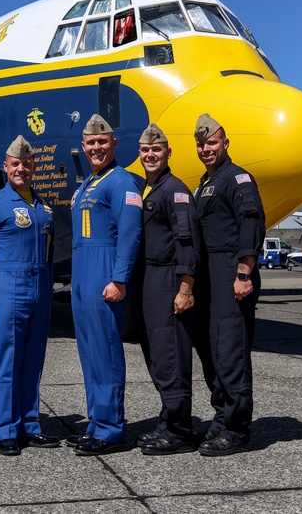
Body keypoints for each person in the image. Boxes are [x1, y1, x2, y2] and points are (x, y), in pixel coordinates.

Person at [0, 135, 59, 456]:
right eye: (15, 164)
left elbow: (49, 255)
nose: (21, 169)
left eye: (27, 164)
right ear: (5, 167)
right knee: (7, 361)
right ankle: (6, 429)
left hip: (40, 292)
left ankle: (30, 424)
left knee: (33, 361)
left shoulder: (44, 207)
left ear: (34, 166)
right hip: (8, 289)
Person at [68, 114, 142, 456]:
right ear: (83, 146)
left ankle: (111, 429)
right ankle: (96, 422)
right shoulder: (86, 184)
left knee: (107, 353)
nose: (96, 148)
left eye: (102, 142)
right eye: (91, 143)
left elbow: (130, 233)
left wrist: (119, 278)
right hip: (82, 274)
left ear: (114, 144)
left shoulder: (121, 181)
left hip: (104, 273)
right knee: (89, 353)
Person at [193, 113, 265, 456]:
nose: (206, 148)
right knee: (214, 352)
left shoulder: (238, 179)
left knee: (231, 352)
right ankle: (222, 417)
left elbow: (251, 226)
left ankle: (237, 429)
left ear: (225, 143)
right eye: (201, 144)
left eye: (211, 142)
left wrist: (243, 273)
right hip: (210, 276)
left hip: (230, 273)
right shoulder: (205, 183)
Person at [132, 124, 201, 455]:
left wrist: (185, 288)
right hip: (150, 281)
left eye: (156, 150)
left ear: (168, 153)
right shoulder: (150, 189)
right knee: (158, 356)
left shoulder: (175, 191)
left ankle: (180, 431)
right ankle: (169, 420)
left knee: (171, 356)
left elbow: (186, 242)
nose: (150, 155)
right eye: (145, 150)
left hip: (169, 281)